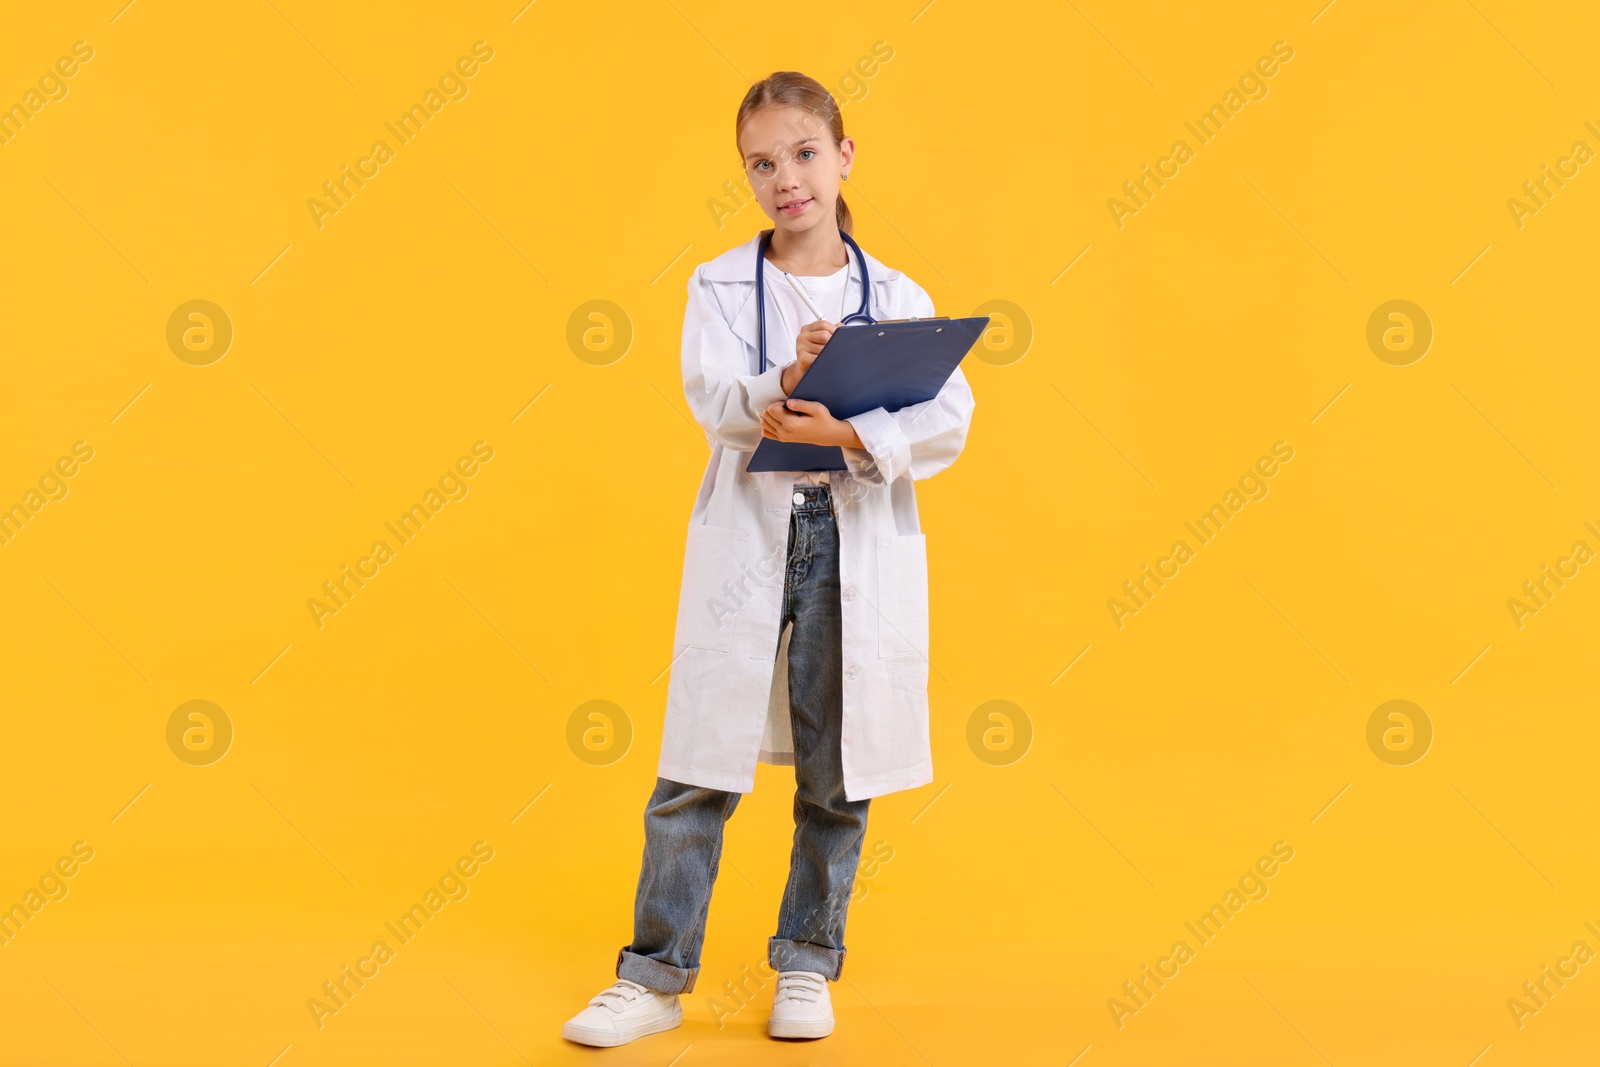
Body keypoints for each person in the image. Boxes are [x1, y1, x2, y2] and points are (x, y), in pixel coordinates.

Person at [562, 70, 976, 1048]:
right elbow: (712, 401)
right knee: (697, 760)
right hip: (753, 533)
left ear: (842, 156)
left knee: (840, 763)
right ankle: (654, 975)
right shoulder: (716, 282)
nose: (784, 178)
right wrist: (778, 381)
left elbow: (948, 417)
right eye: (761, 162)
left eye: (801, 153)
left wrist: (847, 428)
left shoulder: (900, 294)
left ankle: (804, 959)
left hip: (851, 533)